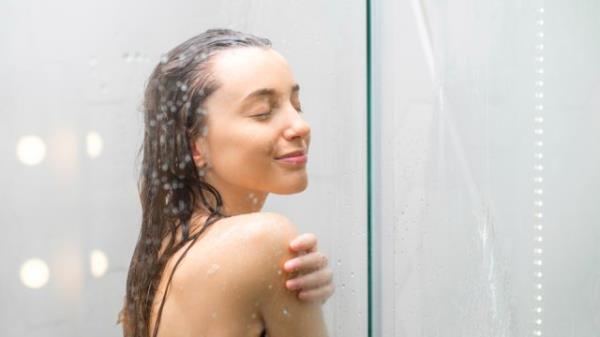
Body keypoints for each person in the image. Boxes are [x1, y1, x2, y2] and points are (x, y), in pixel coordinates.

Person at [118, 29, 333, 337]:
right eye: (263, 112)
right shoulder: (261, 240)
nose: (300, 126)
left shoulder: (165, 253)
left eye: (296, 105)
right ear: (196, 146)